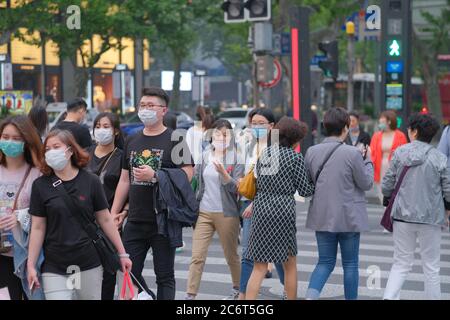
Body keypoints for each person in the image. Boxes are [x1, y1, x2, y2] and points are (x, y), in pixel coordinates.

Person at [26, 129, 132, 300]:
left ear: (70, 150)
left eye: (56, 147)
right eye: (47, 149)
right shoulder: (40, 185)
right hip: (54, 264)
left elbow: (105, 219)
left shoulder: (91, 181)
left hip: (88, 262)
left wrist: (122, 253)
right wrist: (31, 265)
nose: (51, 152)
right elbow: (37, 228)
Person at [111, 87, 194, 300]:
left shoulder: (176, 139)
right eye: (142, 105)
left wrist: (156, 176)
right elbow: (124, 179)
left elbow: (187, 174)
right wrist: (114, 213)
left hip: (163, 219)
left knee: (164, 276)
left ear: (163, 110)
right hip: (136, 219)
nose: (145, 110)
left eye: (151, 106)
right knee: (128, 271)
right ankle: (148, 297)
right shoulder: (131, 139)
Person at [304, 107, 374, 300]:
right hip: (348, 216)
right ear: (345, 128)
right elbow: (366, 183)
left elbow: (308, 182)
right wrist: (368, 161)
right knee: (350, 264)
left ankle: (310, 297)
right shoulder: (353, 154)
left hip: (322, 214)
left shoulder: (311, 151)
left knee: (324, 262)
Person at [245, 117, 315, 300]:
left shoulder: (266, 153)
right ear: (295, 139)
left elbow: (258, 182)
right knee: (289, 265)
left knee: (259, 267)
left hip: (261, 208)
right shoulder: (295, 157)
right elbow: (305, 190)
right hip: (283, 210)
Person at [382, 113, 450, 300]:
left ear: (414, 131)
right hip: (431, 218)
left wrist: (387, 198)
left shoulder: (400, 153)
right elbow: (448, 189)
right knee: (431, 267)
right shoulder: (439, 158)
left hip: (403, 216)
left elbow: (387, 183)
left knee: (401, 263)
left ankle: (389, 297)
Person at [185, 119, 244, 300]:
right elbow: (197, 182)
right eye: (217, 134)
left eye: (225, 134)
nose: (221, 138)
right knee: (197, 256)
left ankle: (238, 288)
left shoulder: (236, 158)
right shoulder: (205, 155)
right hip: (203, 211)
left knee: (231, 256)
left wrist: (225, 175)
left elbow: (238, 188)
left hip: (227, 213)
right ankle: (190, 295)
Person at [238, 108, 285, 300]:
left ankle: (286, 287)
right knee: (248, 252)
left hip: (265, 204)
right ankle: (243, 294)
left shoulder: (274, 148)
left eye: (260, 123)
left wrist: (256, 202)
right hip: (247, 200)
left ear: (272, 126)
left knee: (277, 250)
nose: (255, 127)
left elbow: (272, 181)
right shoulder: (250, 145)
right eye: (253, 123)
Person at [0, 116, 44, 300]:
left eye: (17, 138)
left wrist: (20, 216)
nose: (10, 142)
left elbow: (45, 215)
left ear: (27, 141)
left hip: (27, 253)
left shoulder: (38, 173)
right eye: (5, 136)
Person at [87, 112, 126, 300]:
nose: (101, 131)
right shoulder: (84, 154)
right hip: (84, 222)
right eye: (98, 126)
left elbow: (129, 188)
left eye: (106, 126)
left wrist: (123, 212)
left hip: (110, 222)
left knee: (107, 274)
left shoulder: (121, 157)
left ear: (116, 131)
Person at [370, 110, 407, 203]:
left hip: (394, 166)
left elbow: (404, 153)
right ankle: (384, 212)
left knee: (394, 192)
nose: (380, 124)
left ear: (389, 121)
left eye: (382, 122)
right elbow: (372, 152)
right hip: (380, 165)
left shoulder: (400, 136)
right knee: (381, 192)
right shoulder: (376, 136)